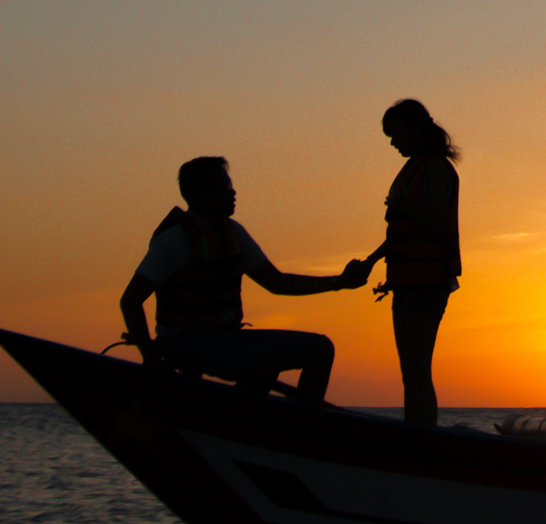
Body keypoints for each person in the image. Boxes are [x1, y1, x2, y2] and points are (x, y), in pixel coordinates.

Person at [122, 156, 367, 402]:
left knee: (320, 350)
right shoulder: (175, 239)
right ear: (200, 193)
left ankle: (300, 426)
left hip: (227, 336)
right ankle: (238, 424)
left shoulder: (234, 233)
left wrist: (339, 283)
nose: (233, 192)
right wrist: (151, 359)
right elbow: (130, 300)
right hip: (181, 341)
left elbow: (276, 283)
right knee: (264, 364)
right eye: (224, 187)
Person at [357, 98, 460, 430]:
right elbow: (403, 229)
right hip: (407, 279)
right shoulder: (415, 167)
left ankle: (421, 438)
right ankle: (417, 432)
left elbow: (435, 224)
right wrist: (372, 260)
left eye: (395, 133)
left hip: (427, 281)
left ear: (415, 130)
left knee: (416, 370)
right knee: (411, 371)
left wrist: (402, 209)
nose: (392, 142)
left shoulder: (435, 169)